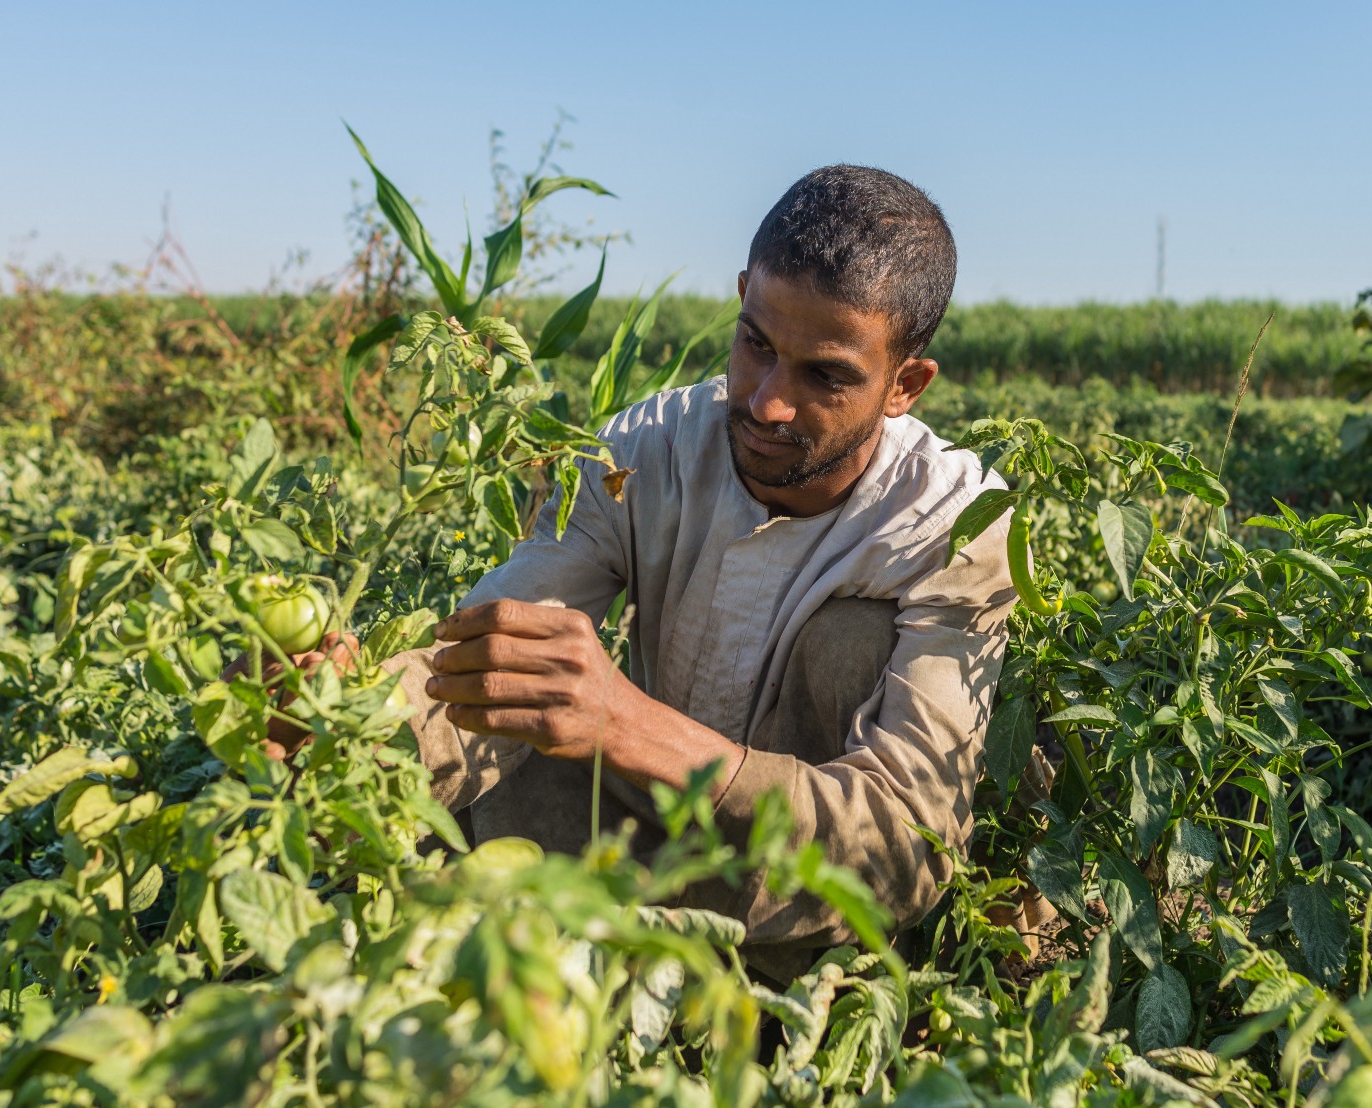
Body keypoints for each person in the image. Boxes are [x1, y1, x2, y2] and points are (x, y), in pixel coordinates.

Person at [310, 165, 1014, 979]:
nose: (768, 403)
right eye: (756, 345)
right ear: (744, 294)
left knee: (850, 642)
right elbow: (489, 664)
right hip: (628, 840)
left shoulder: (955, 526)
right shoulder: (642, 454)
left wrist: (628, 725)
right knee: (511, 720)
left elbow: (905, 844)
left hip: (805, 902)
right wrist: (343, 722)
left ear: (906, 385)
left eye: (825, 375)